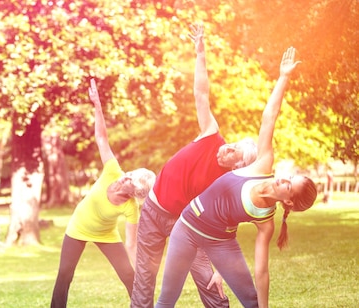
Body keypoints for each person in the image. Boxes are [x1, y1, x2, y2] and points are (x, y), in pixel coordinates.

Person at [155, 46, 317, 308]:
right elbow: (269, 117)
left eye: (289, 185)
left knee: (252, 302)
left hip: (220, 242)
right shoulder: (263, 164)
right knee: (167, 299)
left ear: (288, 202)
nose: (283, 180)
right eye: (290, 177)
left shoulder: (266, 221)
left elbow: (261, 272)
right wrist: (284, 77)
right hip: (186, 228)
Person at [131, 24, 258, 308]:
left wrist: (223, 271)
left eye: (234, 154)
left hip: (186, 225)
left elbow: (225, 234)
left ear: (238, 165)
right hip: (153, 210)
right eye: (233, 145)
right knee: (144, 280)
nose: (228, 149)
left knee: (207, 280)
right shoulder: (212, 133)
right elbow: (201, 93)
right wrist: (200, 52)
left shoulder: (226, 185)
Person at [50, 78, 156, 308]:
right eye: (129, 173)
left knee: (128, 275)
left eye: (130, 179)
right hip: (78, 227)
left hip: (106, 235)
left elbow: (131, 243)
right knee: (65, 275)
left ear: (134, 191)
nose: (125, 176)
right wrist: (97, 106)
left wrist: (141, 269)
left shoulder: (131, 207)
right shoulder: (112, 170)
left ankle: (143, 305)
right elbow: (101, 139)